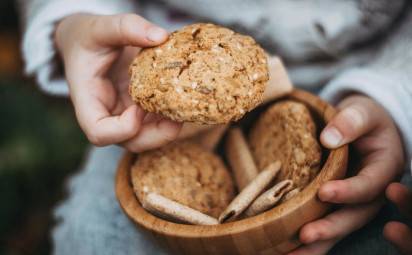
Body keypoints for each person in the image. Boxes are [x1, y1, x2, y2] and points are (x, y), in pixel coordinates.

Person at [18, 0, 412, 254]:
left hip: (369, 85)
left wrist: (393, 93)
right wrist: (72, 21)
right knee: (94, 238)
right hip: (146, 96)